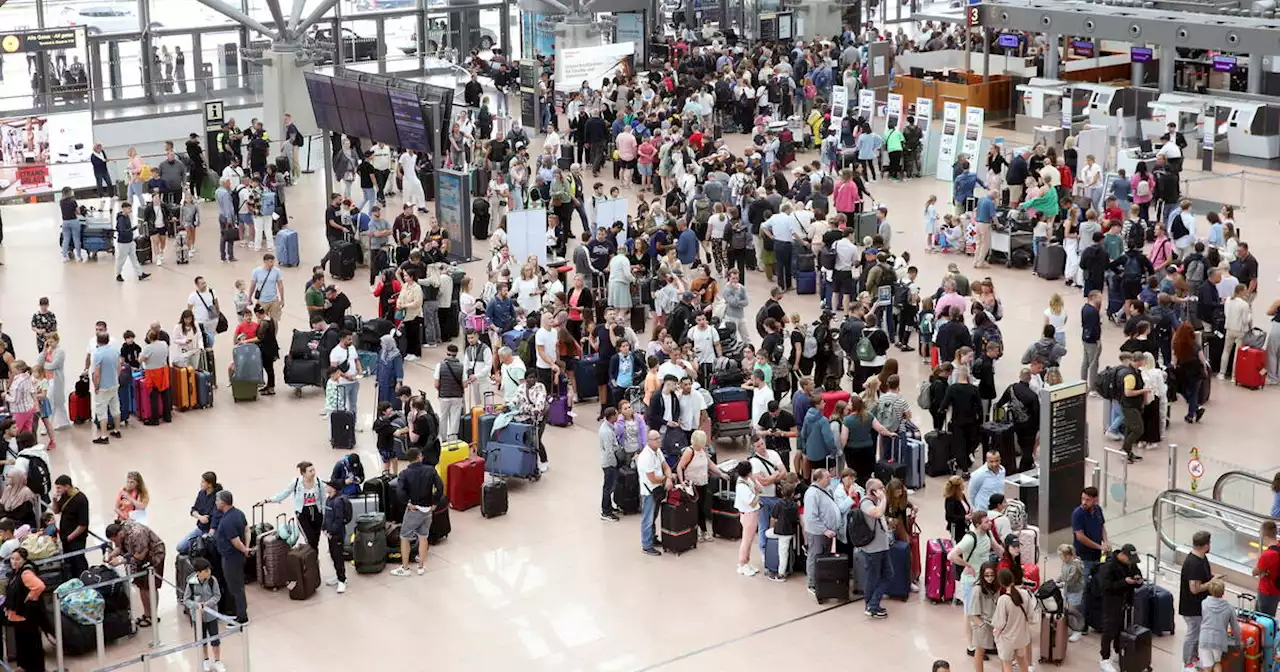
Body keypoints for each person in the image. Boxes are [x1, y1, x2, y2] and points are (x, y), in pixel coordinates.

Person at [392, 447, 445, 576]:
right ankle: (421, 566)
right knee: (423, 537)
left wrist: (407, 503)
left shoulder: (404, 474)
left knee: (404, 537)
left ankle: (405, 568)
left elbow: (399, 491)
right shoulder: (430, 470)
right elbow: (440, 487)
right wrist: (435, 502)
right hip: (427, 509)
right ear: (420, 456)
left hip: (414, 509)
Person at [105, 518, 166, 628]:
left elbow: (141, 554)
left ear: (120, 533)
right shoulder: (122, 533)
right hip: (138, 559)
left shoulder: (138, 533)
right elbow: (119, 547)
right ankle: (147, 614)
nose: (115, 543)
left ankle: (153, 616)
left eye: (115, 539)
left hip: (153, 556)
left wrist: (121, 560)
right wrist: (112, 555)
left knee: (150, 586)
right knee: (141, 586)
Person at [1098, 544, 1143, 672]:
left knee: (1122, 628)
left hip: (1126, 601)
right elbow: (1105, 586)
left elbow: (1137, 572)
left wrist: (1138, 580)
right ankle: (1104, 658)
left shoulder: (1130, 563)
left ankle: (1119, 651)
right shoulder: (1109, 566)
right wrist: (1124, 582)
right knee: (1109, 629)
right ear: (1122, 555)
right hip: (1112, 602)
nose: (1131, 563)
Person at [1180, 530, 1219, 670]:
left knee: (1197, 633)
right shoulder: (1194, 563)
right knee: (1193, 634)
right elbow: (1194, 588)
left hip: (1198, 606)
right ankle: (1188, 660)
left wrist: (1212, 577)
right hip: (1192, 607)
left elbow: (1204, 575)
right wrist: (1212, 583)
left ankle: (1194, 656)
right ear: (1206, 545)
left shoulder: (1201, 558)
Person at [262, 461, 325, 550]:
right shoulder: (296, 483)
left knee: (316, 540)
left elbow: (323, 498)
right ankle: (312, 560)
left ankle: (313, 560)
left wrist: (323, 513)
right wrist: (268, 500)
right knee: (310, 540)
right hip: (303, 513)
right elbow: (284, 494)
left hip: (316, 512)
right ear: (303, 473)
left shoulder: (318, 482)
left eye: (313, 470)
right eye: (310, 471)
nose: (313, 473)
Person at [182, 557, 226, 671]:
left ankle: (217, 661)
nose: (209, 572)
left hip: (211, 616)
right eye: (205, 571)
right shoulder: (191, 583)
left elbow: (217, 596)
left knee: (215, 639)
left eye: (209, 570)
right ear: (198, 572)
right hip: (197, 618)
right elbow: (186, 600)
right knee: (202, 640)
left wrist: (207, 604)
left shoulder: (213, 581)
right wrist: (196, 605)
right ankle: (205, 660)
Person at [6, 547, 46, 672]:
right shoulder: (16, 572)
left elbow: (39, 586)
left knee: (31, 642)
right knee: (22, 642)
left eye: (17, 559)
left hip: (26, 615)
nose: (14, 562)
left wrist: (29, 597)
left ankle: (34, 668)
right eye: (12, 559)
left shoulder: (25, 573)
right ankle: (24, 666)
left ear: (23, 560)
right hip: (19, 615)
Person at [801, 468, 841, 593]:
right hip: (817, 533)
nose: (830, 479)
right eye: (827, 477)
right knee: (815, 556)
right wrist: (824, 530)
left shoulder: (826, 490)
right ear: (818, 479)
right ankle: (812, 583)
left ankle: (822, 579)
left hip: (827, 532)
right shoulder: (812, 494)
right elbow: (811, 517)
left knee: (824, 557)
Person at [213, 490, 250, 623]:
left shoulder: (227, 520)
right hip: (237, 556)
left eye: (217, 500)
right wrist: (246, 547)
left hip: (231, 558)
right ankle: (239, 612)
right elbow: (247, 529)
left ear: (223, 503)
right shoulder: (238, 513)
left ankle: (242, 617)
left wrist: (244, 548)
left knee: (236, 587)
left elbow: (235, 541)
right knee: (237, 585)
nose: (216, 502)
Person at [991, 567, 1036, 672]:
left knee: (1007, 664)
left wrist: (995, 634)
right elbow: (1031, 616)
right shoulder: (1025, 594)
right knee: (1021, 660)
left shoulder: (1003, 599)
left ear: (1000, 582)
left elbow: (999, 623)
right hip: (1022, 637)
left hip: (1007, 639)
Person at [860, 477, 893, 619]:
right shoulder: (866, 503)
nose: (883, 490)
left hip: (882, 546)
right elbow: (877, 513)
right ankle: (872, 605)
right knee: (874, 577)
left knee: (887, 574)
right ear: (872, 491)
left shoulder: (877, 501)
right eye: (880, 488)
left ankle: (871, 604)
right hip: (873, 549)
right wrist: (883, 499)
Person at [637, 429, 672, 556]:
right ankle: (647, 545)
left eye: (659, 438)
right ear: (649, 441)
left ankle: (652, 537)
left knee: (654, 516)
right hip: (649, 492)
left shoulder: (657, 452)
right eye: (656, 439)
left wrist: (668, 477)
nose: (659, 440)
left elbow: (666, 466)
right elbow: (652, 478)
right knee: (648, 518)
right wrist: (667, 478)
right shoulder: (646, 457)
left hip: (657, 490)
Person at [52, 474, 90, 579]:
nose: (57, 490)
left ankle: (84, 581)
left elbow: (83, 524)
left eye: (59, 487)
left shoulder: (81, 500)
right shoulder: (64, 496)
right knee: (69, 564)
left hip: (76, 539)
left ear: (67, 486)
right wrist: (55, 500)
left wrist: (70, 537)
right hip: (66, 538)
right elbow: (56, 511)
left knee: (79, 562)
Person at [1198, 579, 1240, 672]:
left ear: (1210, 590)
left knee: (1207, 667)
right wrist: (1238, 640)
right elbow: (1235, 627)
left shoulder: (1204, 603)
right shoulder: (1229, 608)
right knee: (1217, 663)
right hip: (1219, 640)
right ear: (1223, 592)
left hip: (1205, 638)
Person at [320, 478, 352, 594]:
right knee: (333, 555)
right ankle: (338, 575)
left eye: (328, 485)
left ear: (333, 488)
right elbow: (327, 516)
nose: (326, 487)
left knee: (338, 557)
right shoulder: (329, 499)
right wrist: (324, 528)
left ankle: (342, 580)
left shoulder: (338, 502)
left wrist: (331, 531)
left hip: (336, 535)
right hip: (330, 534)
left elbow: (338, 520)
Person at [177, 471, 221, 555]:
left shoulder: (217, 498)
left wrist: (210, 534)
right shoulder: (201, 494)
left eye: (203, 482)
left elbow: (216, 517)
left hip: (210, 531)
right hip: (200, 528)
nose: (201, 484)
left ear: (210, 484)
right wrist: (200, 517)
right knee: (180, 547)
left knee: (204, 550)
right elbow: (193, 510)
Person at [1058, 544, 1087, 642]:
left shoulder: (1076, 566)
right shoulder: (1065, 563)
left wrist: (1061, 584)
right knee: (1067, 610)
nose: (1060, 558)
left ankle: (1077, 631)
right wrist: (1057, 580)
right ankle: (1071, 627)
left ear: (1068, 555)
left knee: (1073, 611)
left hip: (1075, 591)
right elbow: (1062, 574)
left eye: (1061, 556)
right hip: (1067, 590)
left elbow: (1071, 580)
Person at [1252, 520, 1280, 617]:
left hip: (1266, 591)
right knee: (1270, 617)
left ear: (1264, 535)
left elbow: (1254, 572)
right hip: (1277, 590)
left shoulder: (1267, 555)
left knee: (1261, 619)